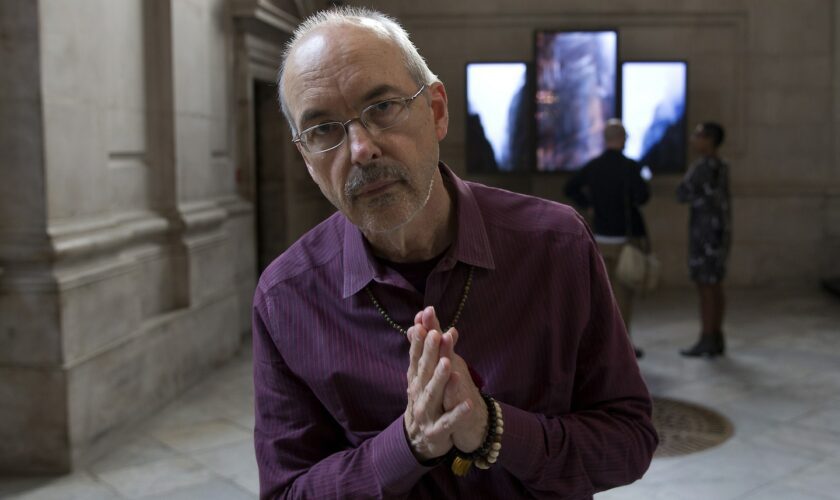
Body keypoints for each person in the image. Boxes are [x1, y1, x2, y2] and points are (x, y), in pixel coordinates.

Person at [252, 7, 657, 499]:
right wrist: (407, 446)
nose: (360, 149)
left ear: (437, 110)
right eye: (322, 130)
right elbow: (287, 493)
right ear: (306, 159)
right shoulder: (287, 296)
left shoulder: (555, 245)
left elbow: (630, 440)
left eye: (382, 107)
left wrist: (493, 429)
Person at [564, 119, 651, 358]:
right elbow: (643, 197)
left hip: (599, 237)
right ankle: (624, 346)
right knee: (624, 295)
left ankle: (604, 347)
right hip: (624, 239)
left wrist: (590, 205)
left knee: (602, 295)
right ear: (623, 139)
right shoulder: (630, 167)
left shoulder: (594, 166)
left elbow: (570, 187)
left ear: (605, 139)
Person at [677, 122, 731, 357]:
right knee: (715, 284)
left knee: (706, 286)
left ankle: (707, 337)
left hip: (705, 235)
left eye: (697, 134)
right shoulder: (721, 165)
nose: (693, 139)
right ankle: (716, 336)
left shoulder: (703, 167)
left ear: (709, 139)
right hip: (718, 234)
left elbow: (681, 193)